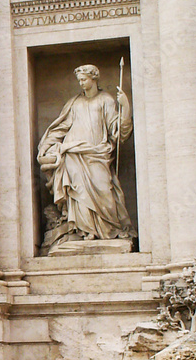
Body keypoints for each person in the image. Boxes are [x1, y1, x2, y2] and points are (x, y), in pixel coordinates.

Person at [37, 64, 134, 244]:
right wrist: (46, 146)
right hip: (73, 153)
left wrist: (125, 107)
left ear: (94, 79)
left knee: (104, 190)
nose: (81, 83)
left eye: (84, 79)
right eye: (79, 80)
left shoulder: (106, 100)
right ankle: (84, 230)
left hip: (97, 154)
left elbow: (118, 131)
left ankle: (108, 228)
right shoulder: (74, 103)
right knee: (78, 192)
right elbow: (60, 128)